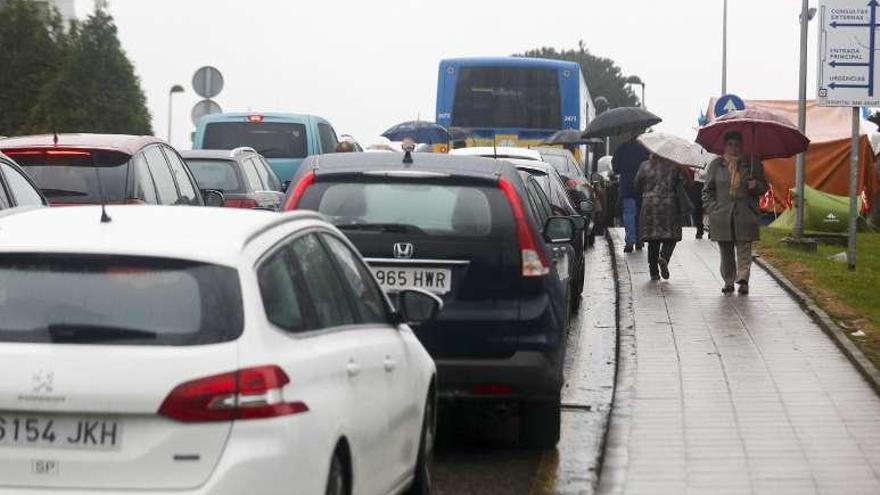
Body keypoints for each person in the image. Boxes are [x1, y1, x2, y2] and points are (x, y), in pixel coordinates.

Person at [702, 131, 769, 295]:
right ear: (725, 146)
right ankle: (729, 281)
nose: (734, 148)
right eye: (730, 145)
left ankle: (743, 280)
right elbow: (707, 191)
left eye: (737, 145)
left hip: (745, 214)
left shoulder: (752, 164)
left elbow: (764, 187)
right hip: (722, 216)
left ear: (742, 146)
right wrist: (713, 208)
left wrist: (756, 185)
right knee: (726, 252)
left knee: (744, 249)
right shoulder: (716, 165)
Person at [634, 154, 687, 280]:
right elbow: (684, 183)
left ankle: (653, 273)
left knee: (653, 240)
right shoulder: (674, 166)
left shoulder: (645, 165)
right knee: (672, 236)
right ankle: (664, 257)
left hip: (649, 204)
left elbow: (636, 184)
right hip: (669, 205)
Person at [612, 132, 649, 253]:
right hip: (642, 187)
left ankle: (629, 242)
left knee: (629, 214)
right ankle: (639, 240)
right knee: (640, 214)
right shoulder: (645, 149)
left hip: (627, 186)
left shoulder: (622, 148)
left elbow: (615, 168)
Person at [689, 167, 706, 239]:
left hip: (711, 181)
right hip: (697, 183)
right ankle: (699, 228)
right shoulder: (695, 157)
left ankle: (712, 229)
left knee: (712, 207)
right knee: (696, 208)